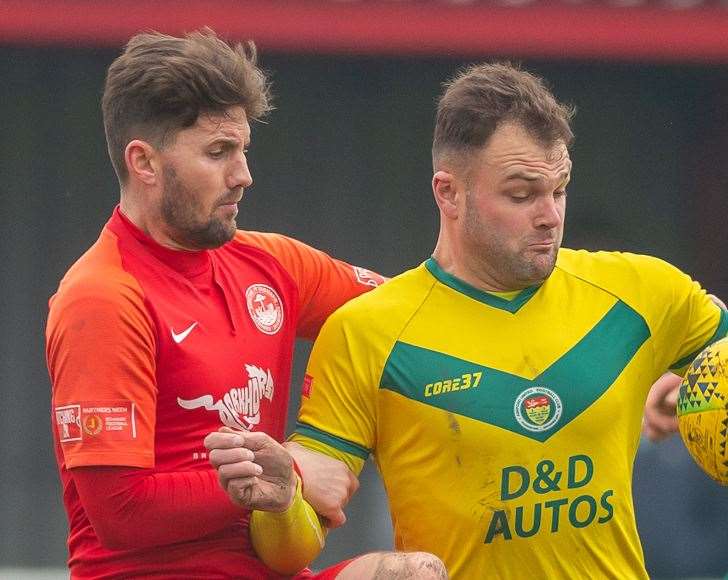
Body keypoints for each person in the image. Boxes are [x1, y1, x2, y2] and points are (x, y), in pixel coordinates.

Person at [207, 62, 727, 578]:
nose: (549, 215)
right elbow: (289, 551)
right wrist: (279, 506)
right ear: (448, 193)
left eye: (560, 190)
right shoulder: (368, 331)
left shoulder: (642, 293)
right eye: (521, 194)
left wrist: (688, 380)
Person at [46, 29, 445, 579]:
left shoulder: (271, 264)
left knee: (417, 573)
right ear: (144, 162)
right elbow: (122, 511)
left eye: (243, 150)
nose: (243, 176)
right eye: (218, 152)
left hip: (269, 570)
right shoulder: (103, 297)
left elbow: (420, 311)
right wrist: (294, 477)